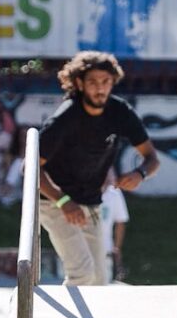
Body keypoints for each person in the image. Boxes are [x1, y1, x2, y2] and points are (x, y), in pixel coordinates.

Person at [35, 52, 161, 287]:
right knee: (82, 274)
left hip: (90, 202)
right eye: (93, 82)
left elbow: (152, 158)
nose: (100, 89)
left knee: (99, 281)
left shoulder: (119, 112)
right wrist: (63, 201)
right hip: (54, 201)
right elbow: (30, 169)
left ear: (113, 83)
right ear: (80, 84)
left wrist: (140, 173)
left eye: (106, 82)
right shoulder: (65, 118)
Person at [100, 166, 130, 282]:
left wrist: (116, 248)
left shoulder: (114, 194)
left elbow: (120, 222)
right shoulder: (82, 191)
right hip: (83, 250)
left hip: (105, 250)